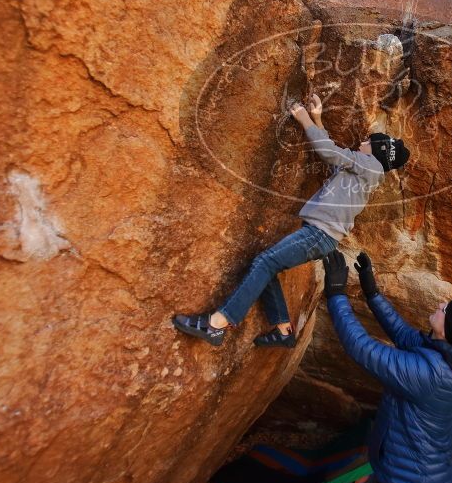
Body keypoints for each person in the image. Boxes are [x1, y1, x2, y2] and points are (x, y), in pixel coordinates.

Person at [172, 94, 410, 347]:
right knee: (266, 263)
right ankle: (284, 329)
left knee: (265, 262)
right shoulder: (363, 169)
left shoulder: (370, 166)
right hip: (321, 234)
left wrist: (303, 117)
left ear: (379, 151)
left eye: (369, 141)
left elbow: (328, 152)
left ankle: (217, 324)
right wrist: (318, 119)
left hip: (320, 233)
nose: (362, 142)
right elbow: (333, 157)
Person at [321, 250, 452, 483]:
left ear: (450, 330)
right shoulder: (445, 353)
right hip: (408, 473)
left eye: (446, 310)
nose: (441, 304)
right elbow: (402, 334)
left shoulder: (432, 374)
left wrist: (336, 294)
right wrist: (372, 293)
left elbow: (362, 348)